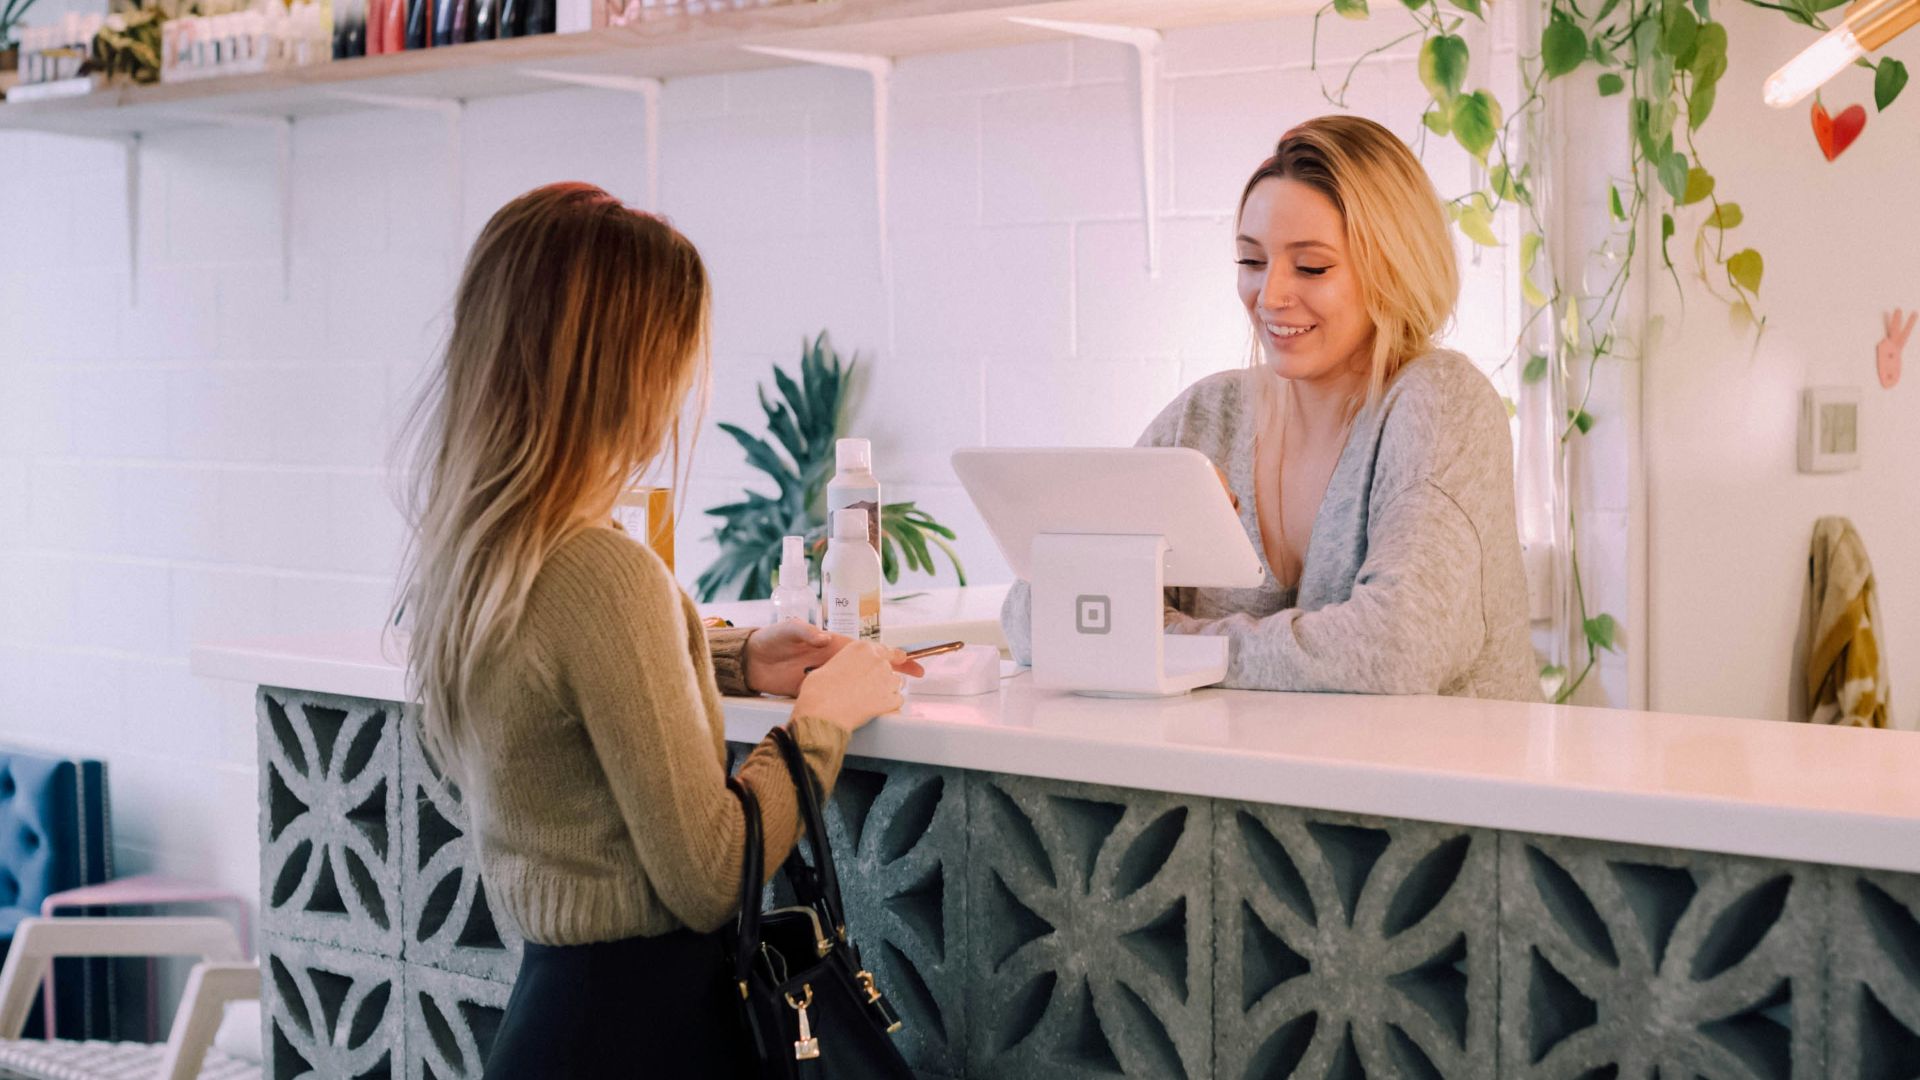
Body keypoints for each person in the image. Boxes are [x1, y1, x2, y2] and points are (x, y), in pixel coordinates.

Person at [396, 182, 921, 1078]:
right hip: (645, 1033)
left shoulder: (480, 552)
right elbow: (713, 870)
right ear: (624, 369)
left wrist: (734, 658)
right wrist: (826, 714)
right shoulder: (601, 571)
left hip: (552, 1020)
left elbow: (562, 674)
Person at [1005, 116, 1538, 701]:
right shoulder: (1208, 417)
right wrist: (1141, 550)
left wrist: (1168, 645)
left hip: (1434, 786)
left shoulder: (1439, 404)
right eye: (1252, 262)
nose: (1271, 295)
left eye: (1311, 266)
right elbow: (1034, 620)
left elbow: (1394, 650)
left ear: (1395, 267)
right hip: (1252, 786)